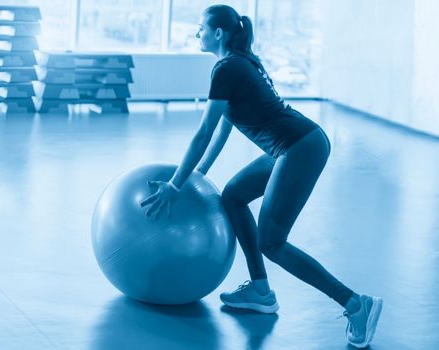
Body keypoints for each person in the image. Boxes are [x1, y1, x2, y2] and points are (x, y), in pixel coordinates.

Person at [140, 4, 382, 348]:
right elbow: (224, 126)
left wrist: (175, 184)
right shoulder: (241, 62)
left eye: (201, 28)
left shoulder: (227, 67)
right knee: (234, 195)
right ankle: (260, 290)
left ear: (218, 33)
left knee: (272, 241)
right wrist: (199, 174)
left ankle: (356, 304)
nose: (197, 34)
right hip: (295, 145)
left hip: (298, 147)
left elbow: (204, 130)